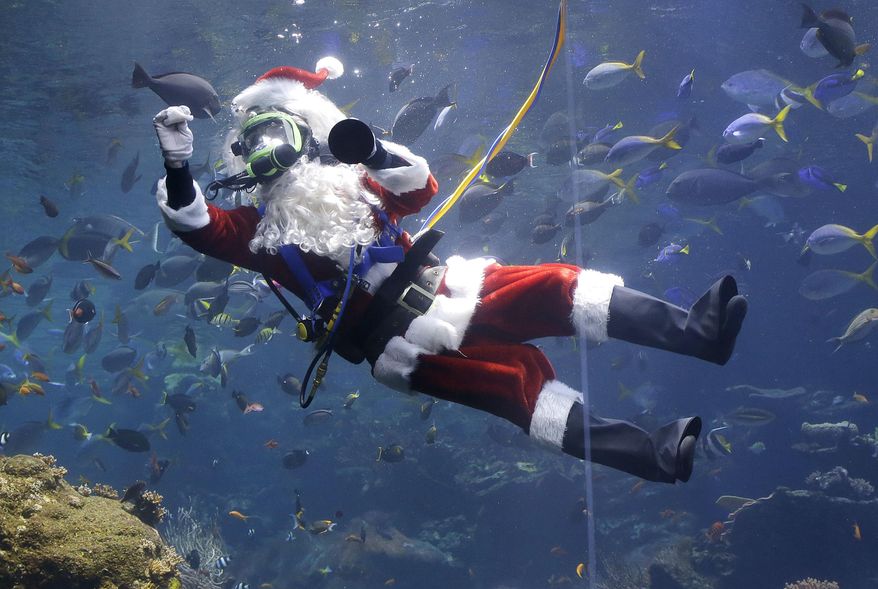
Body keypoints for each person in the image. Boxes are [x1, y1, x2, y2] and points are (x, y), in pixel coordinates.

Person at [151, 57, 747, 484]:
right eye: (254, 144)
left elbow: (419, 188)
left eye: (279, 133)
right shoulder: (258, 235)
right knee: (521, 387)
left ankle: (698, 332)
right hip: (400, 344)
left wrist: (373, 152)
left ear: (307, 136)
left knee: (560, 285)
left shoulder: (351, 184)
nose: (269, 153)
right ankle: (653, 454)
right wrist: (178, 166)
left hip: (451, 285)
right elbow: (199, 226)